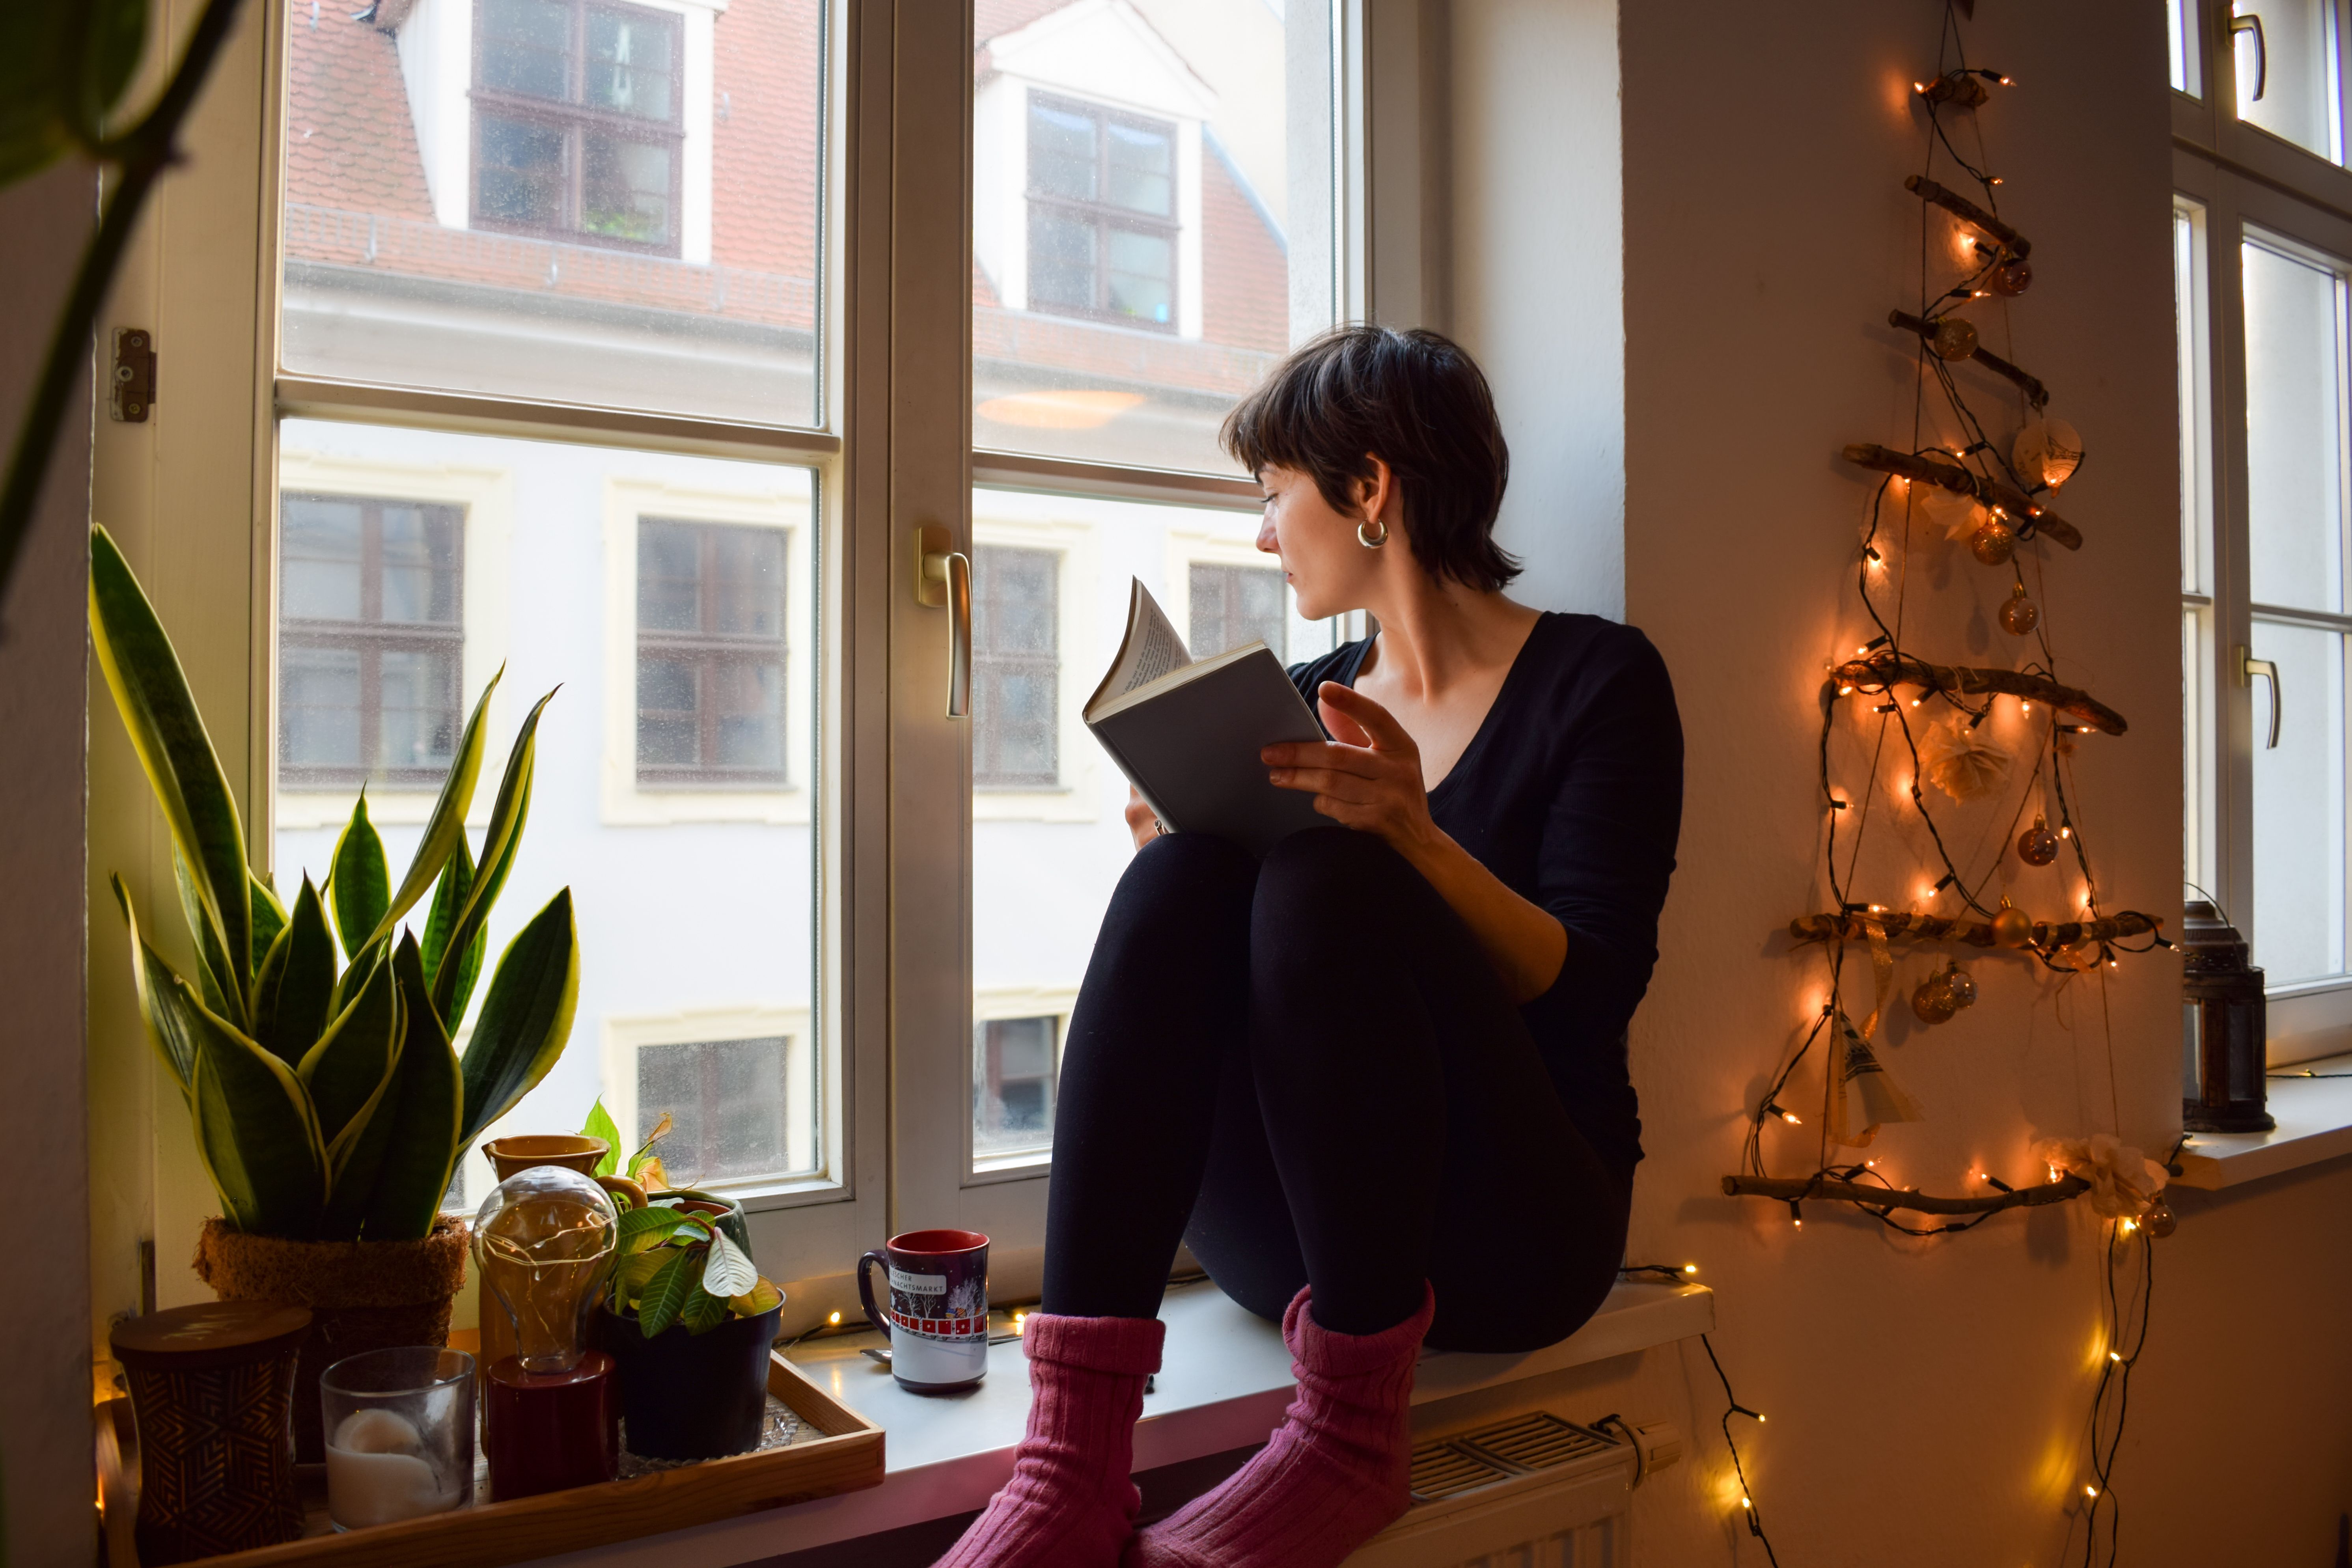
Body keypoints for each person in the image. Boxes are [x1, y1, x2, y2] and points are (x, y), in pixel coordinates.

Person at [936, 325, 1683, 1568]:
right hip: (1307, 1238)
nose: (1265, 531)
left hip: (1515, 1228)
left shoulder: (1599, 681)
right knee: (1183, 872)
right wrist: (1171, 857)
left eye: (1275, 491)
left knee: (1333, 872)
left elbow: (1598, 992)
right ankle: (1068, 1462)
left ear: (1370, 487)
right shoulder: (1313, 687)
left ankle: (1347, 1436)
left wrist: (1422, 840)